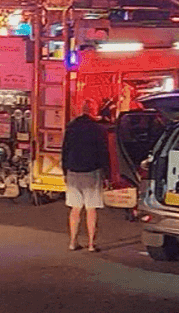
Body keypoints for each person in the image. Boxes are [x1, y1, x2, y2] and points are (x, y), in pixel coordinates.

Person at [62, 98, 110, 252]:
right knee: (91, 209)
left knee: (75, 209)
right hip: (92, 172)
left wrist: (65, 171)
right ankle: (90, 244)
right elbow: (104, 153)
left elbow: (65, 150)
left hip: (73, 172)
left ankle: (72, 242)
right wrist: (106, 174)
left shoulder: (71, 127)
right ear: (93, 111)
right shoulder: (97, 129)